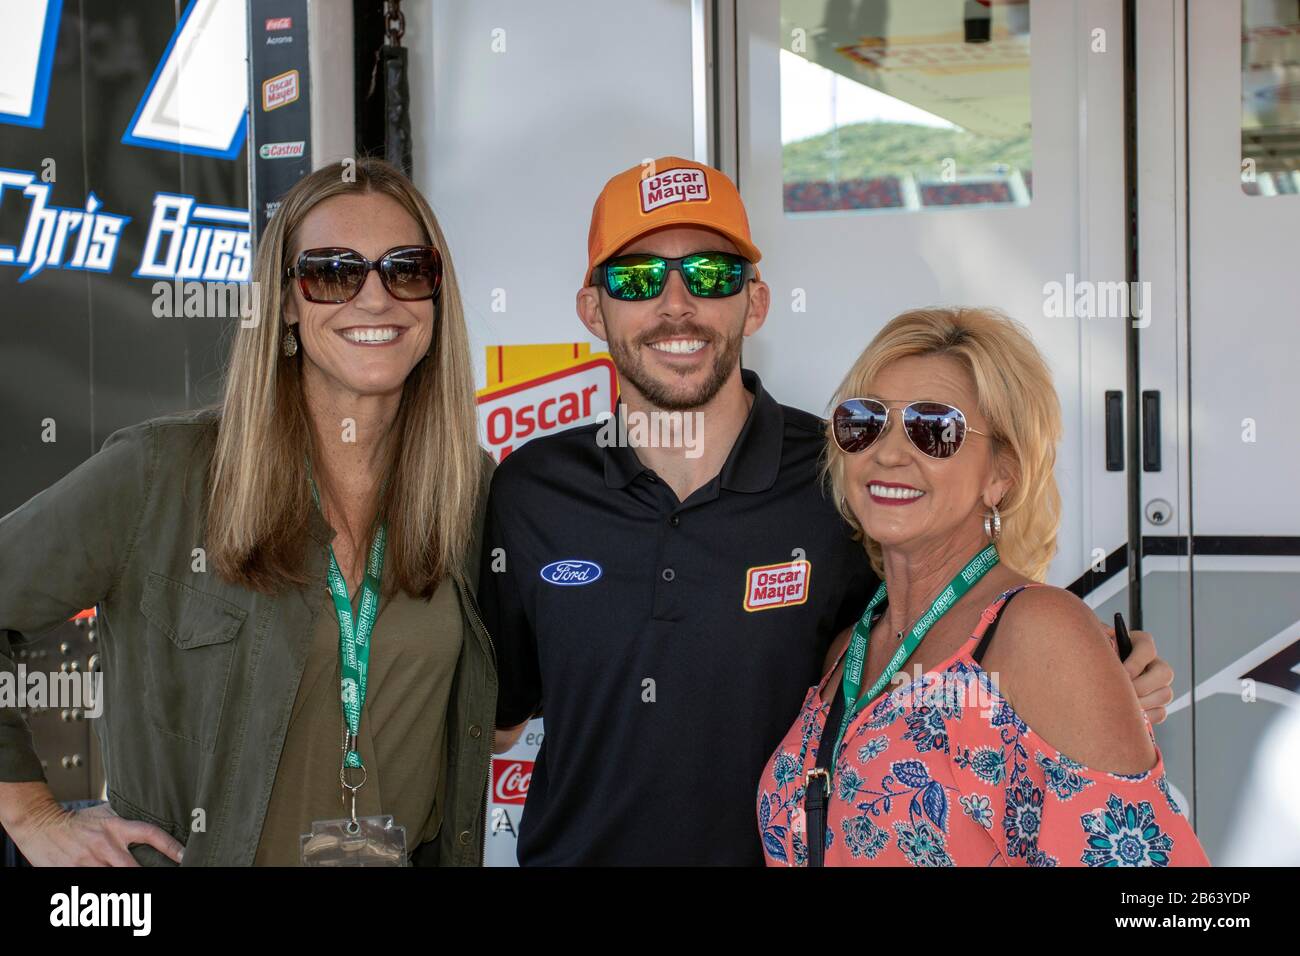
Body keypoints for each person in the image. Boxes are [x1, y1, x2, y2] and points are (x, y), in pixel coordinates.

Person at [482, 156, 1175, 865]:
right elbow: (495, 716)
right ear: (592, 309)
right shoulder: (530, 491)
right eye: (636, 279)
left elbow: (957, 616)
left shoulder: (841, 474)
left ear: (754, 301)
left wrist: (1091, 668)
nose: (676, 305)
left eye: (712, 275)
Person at [0, 158, 496, 866]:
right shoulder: (159, 475)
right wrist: (31, 814)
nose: (376, 298)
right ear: (288, 302)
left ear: (436, 294)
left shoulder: (467, 488)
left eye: (406, 269)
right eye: (333, 272)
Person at [758, 307, 1209, 866]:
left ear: (1002, 474)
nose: (889, 452)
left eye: (934, 430)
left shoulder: (1037, 633)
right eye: (864, 421)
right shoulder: (846, 651)